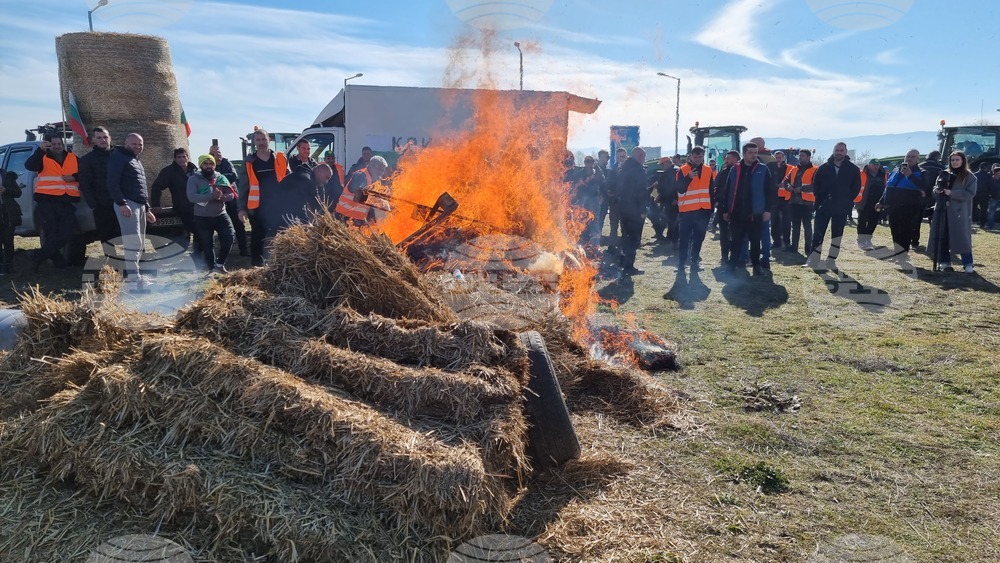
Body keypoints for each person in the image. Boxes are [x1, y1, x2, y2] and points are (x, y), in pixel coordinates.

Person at [107, 133, 156, 288]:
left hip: (139, 204)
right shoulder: (119, 157)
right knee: (132, 241)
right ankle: (133, 278)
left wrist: (146, 208)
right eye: (134, 143)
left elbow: (139, 187)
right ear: (125, 142)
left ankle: (136, 275)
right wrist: (122, 203)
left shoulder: (134, 159)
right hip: (128, 204)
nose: (138, 146)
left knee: (139, 242)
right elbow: (112, 181)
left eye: (140, 144)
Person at [25, 136, 79, 271]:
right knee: (51, 234)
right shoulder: (42, 157)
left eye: (59, 143)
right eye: (53, 144)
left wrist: (75, 177)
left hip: (66, 201)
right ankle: (60, 265)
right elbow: (29, 166)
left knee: (66, 233)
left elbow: (85, 171)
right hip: (46, 201)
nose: (56, 146)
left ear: (63, 144)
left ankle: (37, 256)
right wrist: (40, 151)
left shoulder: (73, 157)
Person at [721, 142, 775, 276]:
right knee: (735, 241)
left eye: (755, 152)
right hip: (737, 212)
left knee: (756, 241)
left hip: (755, 213)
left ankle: (756, 266)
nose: (754, 155)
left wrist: (768, 210)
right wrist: (725, 210)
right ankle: (732, 265)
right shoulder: (735, 169)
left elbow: (770, 191)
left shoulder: (763, 169)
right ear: (744, 153)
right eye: (751, 152)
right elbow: (727, 190)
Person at [808, 142, 861, 271]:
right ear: (833, 151)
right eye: (837, 150)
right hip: (823, 207)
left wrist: (847, 201)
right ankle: (814, 259)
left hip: (841, 208)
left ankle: (831, 260)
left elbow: (856, 187)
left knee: (837, 235)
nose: (839, 152)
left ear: (845, 152)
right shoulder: (823, 168)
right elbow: (816, 185)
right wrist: (821, 199)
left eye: (841, 150)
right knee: (818, 234)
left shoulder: (853, 169)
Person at [239, 128, 289, 266]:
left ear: (269, 140)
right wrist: (241, 208)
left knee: (281, 236)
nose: (261, 142)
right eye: (258, 140)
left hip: (279, 206)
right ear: (254, 142)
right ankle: (257, 267)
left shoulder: (280, 158)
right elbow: (243, 186)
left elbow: (289, 180)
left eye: (263, 139)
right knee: (258, 239)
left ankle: (281, 265)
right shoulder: (249, 162)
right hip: (258, 208)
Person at [928, 151, 977, 272]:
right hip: (942, 209)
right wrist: (938, 191)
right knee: (942, 236)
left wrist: (952, 193)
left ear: (963, 161)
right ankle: (945, 261)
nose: (954, 162)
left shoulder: (969, 177)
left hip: (959, 212)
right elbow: (934, 190)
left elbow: (970, 193)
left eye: (957, 160)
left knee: (962, 238)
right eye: (952, 160)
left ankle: (968, 263)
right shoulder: (943, 174)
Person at [186, 154, 235, 273]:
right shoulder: (193, 179)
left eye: (211, 164)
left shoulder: (221, 178)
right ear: (200, 165)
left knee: (229, 237)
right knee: (207, 244)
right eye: (205, 164)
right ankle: (212, 269)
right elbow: (191, 197)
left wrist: (222, 197)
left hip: (220, 215)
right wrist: (211, 196)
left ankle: (219, 264)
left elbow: (231, 194)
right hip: (202, 217)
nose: (209, 166)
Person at [77, 126, 120, 257]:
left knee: (131, 234)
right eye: (99, 138)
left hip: (123, 202)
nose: (103, 140)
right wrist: (94, 205)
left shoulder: (121, 155)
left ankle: (136, 264)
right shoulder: (87, 160)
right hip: (102, 205)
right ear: (93, 140)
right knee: (107, 236)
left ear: (110, 138)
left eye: (105, 137)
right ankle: (113, 265)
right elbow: (85, 184)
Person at [879, 149, 927, 257]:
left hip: (910, 207)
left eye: (913, 157)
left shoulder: (921, 172)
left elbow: (924, 187)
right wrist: (881, 201)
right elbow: (888, 186)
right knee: (895, 230)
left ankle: (902, 255)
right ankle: (898, 252)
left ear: (918, 159)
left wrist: (910, 175)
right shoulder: (896, 170)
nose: (909, 159)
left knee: (905, 231)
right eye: (908, 156)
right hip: (893, 206)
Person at [151, 148, 198, 253]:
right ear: (175, 159)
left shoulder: (195, 170)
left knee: (201, 233)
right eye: (179, 157)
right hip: (182, 208)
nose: (182, 159)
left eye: (184, 156)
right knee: (189, 234)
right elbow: (156, 187)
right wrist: (156, 205)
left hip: (198, 208)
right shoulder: (169, 171)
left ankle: (198, 255)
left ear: (188, 157)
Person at [675, 146, 714, 274]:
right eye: (695, 157)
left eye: (700, 156)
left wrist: (711, 208)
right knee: (684, 239)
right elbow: (679, 189)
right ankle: (681, 263)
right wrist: (688, 177)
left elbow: (710, 190)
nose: (697, 159)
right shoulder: (683, 170)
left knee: (699, 238)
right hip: (687, 211)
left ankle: (694, 261)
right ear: (691, 156)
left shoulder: (708, 170)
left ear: (703, 156)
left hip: (703, 210)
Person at [210, 144, 247, 257]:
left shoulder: (227, 163)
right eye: (215, 154)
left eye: (219, 153)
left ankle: (244, 251)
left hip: (232, 199)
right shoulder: (209, 165)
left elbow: (233, 176)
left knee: (239, 225)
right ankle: (223, 251)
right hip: (218, 201)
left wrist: (218, 179)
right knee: (221, 227)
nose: (218, 156)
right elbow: (208, 179)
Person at [616, 147, 649, 277]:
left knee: (626, 236)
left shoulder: (623, 168)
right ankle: (629, 266)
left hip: (623, 208)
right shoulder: (638, 170)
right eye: (643, 156)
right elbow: (640, 192)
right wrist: (642, 209)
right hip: (634, 209)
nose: (644, 159)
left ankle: (624, 263)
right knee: (634, 238)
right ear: (639, 156)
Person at [335, 155, 391, 225]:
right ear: (373, 166)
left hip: (355, 219)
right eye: (381, 170)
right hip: (345, 217)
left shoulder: (370, 179)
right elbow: (357, 196)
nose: (382, 173)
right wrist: (376, 201)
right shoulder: (361, 175)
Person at [786, 149, 817, 255]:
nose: (800, 157)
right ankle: (794, 247)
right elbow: (786, 181)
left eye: (802, 156)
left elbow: (816, 185)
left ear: (808, 157)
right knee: (795, 226)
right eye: (799, 156)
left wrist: (801, 189)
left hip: (807, 203)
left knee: (807, 227)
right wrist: (788, 186)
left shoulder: (815, 170)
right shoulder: (794, 169)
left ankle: (808, 248)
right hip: (793, 202)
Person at [854, 159, 888, 250]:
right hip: (863, 201)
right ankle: (861, 241)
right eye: (874, 164)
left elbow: (886, 187)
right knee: (862, 221)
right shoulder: (862, 173)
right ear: (869, 165)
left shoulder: (883, 174)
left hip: (877, 202)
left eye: (877, 164)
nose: (876, 166)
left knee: (873, 221)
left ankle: (868, 239)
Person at [714, 150, 739, 260]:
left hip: (738, 208)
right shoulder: (723, 173)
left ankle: (737, 255)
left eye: (728, 158)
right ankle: (724, 255)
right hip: (723, 207)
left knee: (737, 233)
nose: (725, 160)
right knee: (724, 233)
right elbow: (717, 189)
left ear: (735, 159)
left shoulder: (741, 172)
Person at [915, 150, 943, 249]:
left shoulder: (920, 166)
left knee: (916, 219)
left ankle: (914, 241)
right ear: (937, 158)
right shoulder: (941, 168)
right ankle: (934, 243)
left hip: (920, 196)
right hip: (934, 197)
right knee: (934, 221)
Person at [0, 171, 23, 275]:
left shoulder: (7, 175)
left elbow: (18, 193)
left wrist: (6, 190)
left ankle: (10, 266)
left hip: (8, 213)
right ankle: (1, 268)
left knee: (8, 240)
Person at [768, 150, 791, 250]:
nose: (778, 159)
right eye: (776, 157)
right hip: (774, 198)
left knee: (786, 221)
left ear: (783, 158)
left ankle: (786, 241)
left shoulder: (789, 168)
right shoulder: (770, 167)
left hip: (786, 198)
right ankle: (776, 241)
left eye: (780, 157)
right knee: (774, 221)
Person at [972, 162, 993, 229]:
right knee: (983, 210)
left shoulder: (974, 175)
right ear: (986, 168)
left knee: (972, 209)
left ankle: (970, 222)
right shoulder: (988, 176)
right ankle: (982, 224)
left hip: (975, 194)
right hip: (984, 195)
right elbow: (990, 186)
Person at [986, 165, 1000, 230]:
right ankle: (990, 226)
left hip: (994, 197)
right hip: (994, 198)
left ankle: (989, 226)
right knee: (991, 213)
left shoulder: (991, 179)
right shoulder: (991, 179)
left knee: (991, 213)